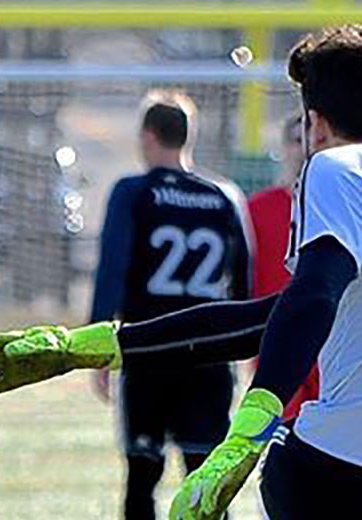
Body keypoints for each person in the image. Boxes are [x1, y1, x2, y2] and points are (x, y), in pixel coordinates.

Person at [0, 25, 362, 520]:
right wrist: (93, 346)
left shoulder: (338, 165)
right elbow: (277, 315)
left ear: (316, 123)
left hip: (358, 475)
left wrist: (248, 430)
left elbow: (309, 296)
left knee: (287, 469)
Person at [86, 91, 252, 520]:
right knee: (206, 483)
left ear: (147, 136)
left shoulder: (133, 192)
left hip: (149, 353)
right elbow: (244, 283)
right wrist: (250, 349)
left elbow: (112, 270)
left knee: (142, 478)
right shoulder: (225, 196)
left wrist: (95, 344)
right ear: (187, 137)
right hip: (209, 360)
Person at [245, 115, 320, 424]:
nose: (303, 149)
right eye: (296, 140)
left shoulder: (333, 206)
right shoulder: (257, 208)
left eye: (310, 140)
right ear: (284, 148)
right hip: (274, 336)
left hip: (326, 340)